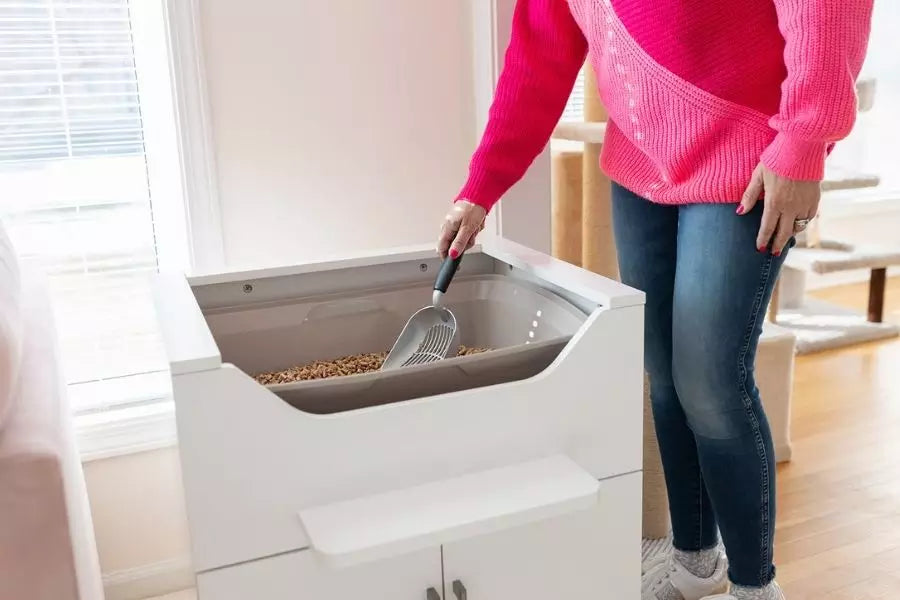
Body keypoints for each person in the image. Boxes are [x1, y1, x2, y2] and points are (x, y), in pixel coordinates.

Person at [436, 1, 873, 599]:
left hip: (749, 156)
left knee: (711, 383)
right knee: (664, 374)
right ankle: (696, 562)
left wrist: (804, 138)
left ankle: (754, 588)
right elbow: (537, 64)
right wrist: (481, 188)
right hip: (642, 162)